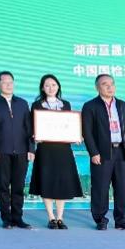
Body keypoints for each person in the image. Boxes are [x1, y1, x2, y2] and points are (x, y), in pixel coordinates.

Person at [82, 74, 125, 231]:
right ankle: (100, 219)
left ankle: (122, 220)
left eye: (112, 84)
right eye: (104, 84)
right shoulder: (90, 106)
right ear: (97, 87)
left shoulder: (123, 105)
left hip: (121, 151)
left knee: (122, 186)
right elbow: (87, 131)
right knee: (100, 187)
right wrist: (93, 152)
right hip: (102, 152)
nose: (109, 87)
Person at [29, 74, 83, 229]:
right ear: (42, 88)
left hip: (63, 149)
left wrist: (75, 135)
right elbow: (32, 126)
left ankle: (60, 217)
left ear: (58, 86)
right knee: (46, 181)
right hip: (45, 149)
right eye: (47, 85)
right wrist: (35, 136)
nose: (51, 88)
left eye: (53, 85)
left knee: (62, 182)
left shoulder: (65, 104)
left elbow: (69, 125)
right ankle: (51, 217)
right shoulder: (37, 105)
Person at [0, 71, 33, 229]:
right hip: (1, 151)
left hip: (21, 151)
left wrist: (31, 149)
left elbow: (29, 128)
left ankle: (18, 217)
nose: (8, 85)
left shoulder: (22, 103)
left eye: (11, 82)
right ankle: (6, 218)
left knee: (19, 186)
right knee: (3, 186)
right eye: (5, 82)